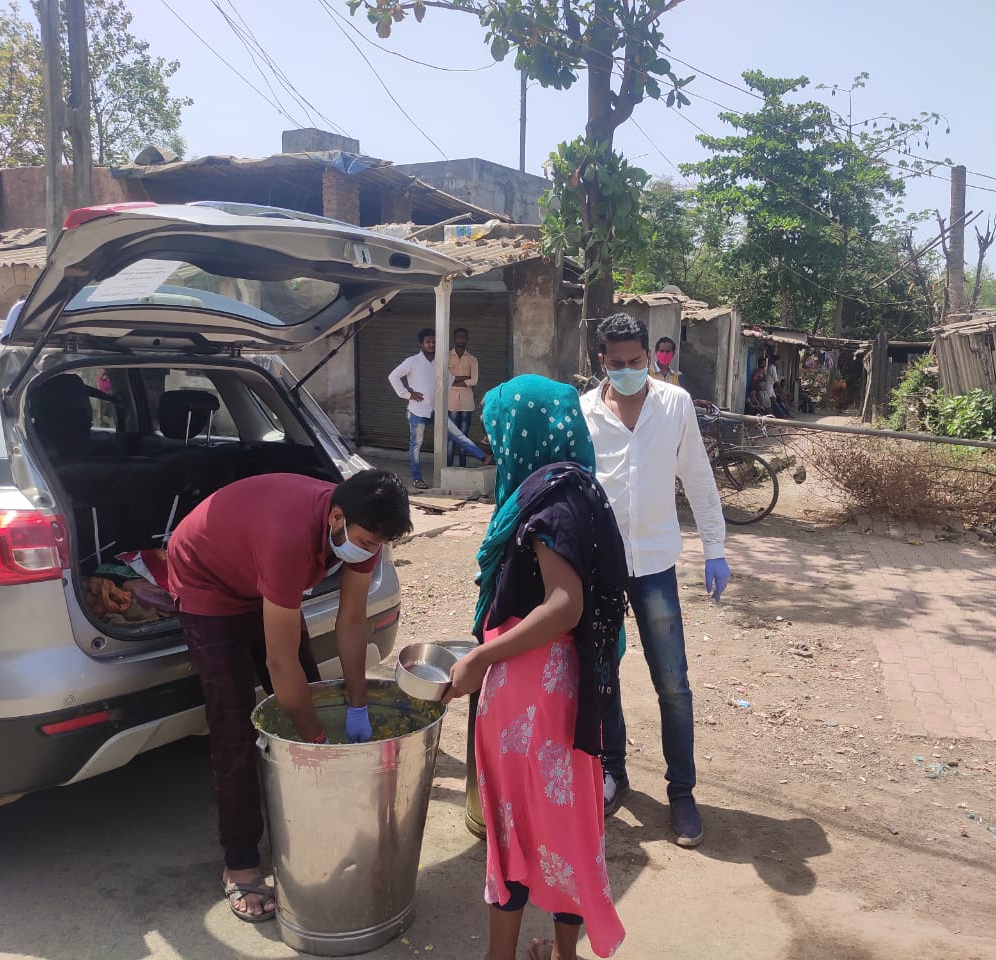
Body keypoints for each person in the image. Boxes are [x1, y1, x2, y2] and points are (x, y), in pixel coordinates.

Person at [166, 470, 413, 922]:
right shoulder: (289, 539)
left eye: (378, 544)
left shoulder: (359, 533)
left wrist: (357, 703)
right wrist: (314, 740)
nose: (370, 551)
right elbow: (281, 665)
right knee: (234, 724)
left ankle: (308, 822)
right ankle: (240, 864)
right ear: (336, 517)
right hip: (207, 578)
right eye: (365, 540)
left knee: (312, 692)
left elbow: (353, 621)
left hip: (257, 568)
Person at [444, 374, 628, 960]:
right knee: (566, 825)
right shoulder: (574, 488)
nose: (497, 445)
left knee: (513, 826)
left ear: (523, 431)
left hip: (533, 690)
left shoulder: (553, 503)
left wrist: (477, 657)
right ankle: (562, 953)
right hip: (564, 691)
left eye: (500, 432)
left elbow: (564, 605)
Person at [581, 313, 732, 848]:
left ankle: (682, 793)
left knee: (672, 682)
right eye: (617, 364)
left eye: (636, 362)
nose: (628, 372)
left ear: (651, 356)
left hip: (656, 567)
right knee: (602, 678)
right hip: (599, 566)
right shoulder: (585, 413)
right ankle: (613, 773)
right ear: (602, 360)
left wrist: (714, 548)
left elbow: (697, 477)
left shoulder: (675, 405)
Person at [389, 328, 489, 489]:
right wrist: (407, 394)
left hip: (436, 409)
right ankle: (417, 479)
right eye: (428, 342)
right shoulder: (412, 361)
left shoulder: (439, 363)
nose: (432, 344)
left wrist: (467, 378)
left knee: (457, 434)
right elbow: (392, 376)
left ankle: (483, 457)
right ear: (421, 344)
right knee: (416, 445)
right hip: (417, 410)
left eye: (434, 341)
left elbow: (450, 380)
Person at [447, 327, 481, 467]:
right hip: (451, 401)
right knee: (451, 437)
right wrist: (463, 379)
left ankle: (462, 467)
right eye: (458, 337)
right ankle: (447, 467)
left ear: (467, 339)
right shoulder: (446, 356)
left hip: (467, 402)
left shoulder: (472, 359)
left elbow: (474, 381)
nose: (461, 339)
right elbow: (445, 379)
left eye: (463, 337)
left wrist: (454, 380)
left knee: (464, 437)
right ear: (454, 339)